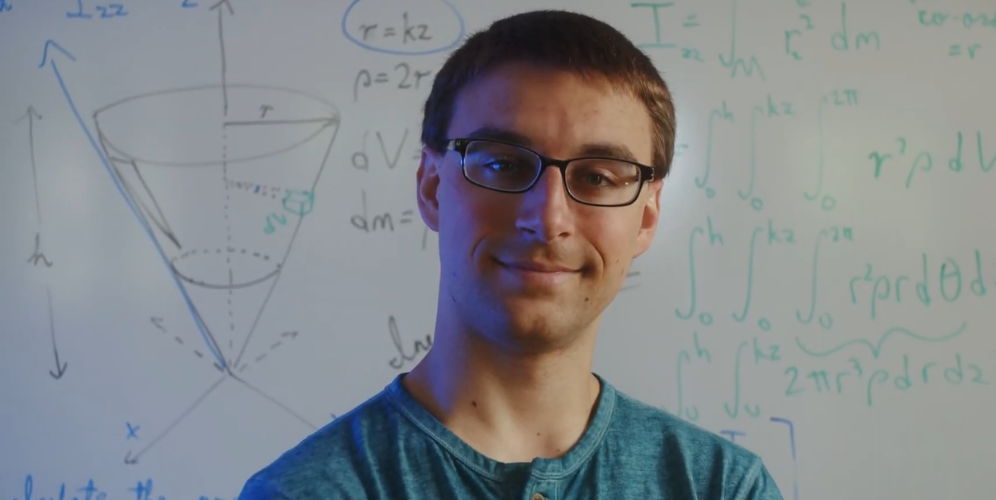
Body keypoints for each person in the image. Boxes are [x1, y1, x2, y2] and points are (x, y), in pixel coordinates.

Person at [239, 9, 783, 500]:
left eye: (597, 177)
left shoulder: (723, 487)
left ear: (646, 216)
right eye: (502, 164)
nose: (548, 219)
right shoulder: (303, 493)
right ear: (431, 188)